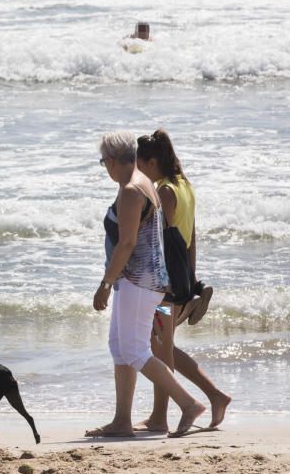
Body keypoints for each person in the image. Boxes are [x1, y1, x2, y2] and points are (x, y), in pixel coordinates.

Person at [87, 132, 206, 438]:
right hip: (146, 281)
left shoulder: (130, 190)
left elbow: (126, 243)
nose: (105, 168)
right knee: (119, 347)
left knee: (136, 351)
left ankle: (188, 403)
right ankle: (122, 421)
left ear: (113, 160)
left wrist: (105, 282)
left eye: (104, 162)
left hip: (138, 282)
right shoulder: (146, 183)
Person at [134, 131, 231, 430]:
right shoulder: (184, 186)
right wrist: (190, 278)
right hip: (179, 280)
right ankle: (215, 396)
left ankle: (161, 417)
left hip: (165, 286)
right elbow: (191, 237)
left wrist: (159, 284)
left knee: (158, 348)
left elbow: (158, 242)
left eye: (139, 164)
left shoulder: (163, 191)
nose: (137, 170)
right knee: (164, 347)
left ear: (151, 162)